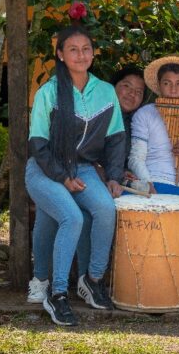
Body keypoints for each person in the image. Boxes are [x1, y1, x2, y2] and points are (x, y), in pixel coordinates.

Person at [25, 26, 126, 326]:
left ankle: (91, 279)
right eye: (73, 49)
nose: (80, 55)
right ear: (60, 54)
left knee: (106, 209)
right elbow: (38, 145)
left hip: (82, 168)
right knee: (72, 217)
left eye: (86, 49)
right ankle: (56, 294)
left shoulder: (106, 91)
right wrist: (62, 177)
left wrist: (114, 177)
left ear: (93, 53)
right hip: (45, 169)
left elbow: (116, 138)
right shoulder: (48, 92)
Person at [27, 65, 146, 305]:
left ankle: (89, 280)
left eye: (139, 91)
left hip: (86, 174)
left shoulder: (135, 121)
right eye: (126, 86)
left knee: (95, 213)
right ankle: (45, 283)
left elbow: (117, 151)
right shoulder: (64, 95)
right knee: (59, 214)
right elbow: (44, 142)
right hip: (54, 168)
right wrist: (70, 175)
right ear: (114, 87)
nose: (132, 94)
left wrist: (116, 175)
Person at [128, 55, 179, 252]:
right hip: (147, 183)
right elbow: (135, 158)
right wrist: (147, 183)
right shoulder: (145, 114)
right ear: (159, 86)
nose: (173, 89)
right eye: (167, 83)